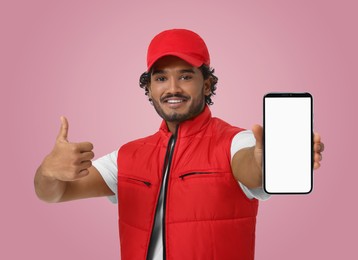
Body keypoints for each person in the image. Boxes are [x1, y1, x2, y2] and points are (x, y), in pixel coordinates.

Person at [34, 29, 324, 260]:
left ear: (207, 84)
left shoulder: (236, 141)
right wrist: (48, 172)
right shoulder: (129, 155)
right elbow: (55, 194)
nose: (172, 88)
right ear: (149, 88)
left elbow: (250, 167)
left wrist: (266, 163)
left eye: (185, 76)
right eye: (161, 78)